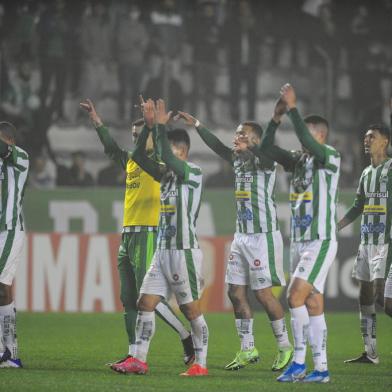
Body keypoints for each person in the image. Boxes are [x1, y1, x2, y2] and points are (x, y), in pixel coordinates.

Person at [176, 102, 293, 372]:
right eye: (237, 133)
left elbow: (263, 155)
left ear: (255, 139)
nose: (237, 137)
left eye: (243, 134)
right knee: (235, 293)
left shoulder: (265, 160)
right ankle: (247, 348)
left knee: (263, 294)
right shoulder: (238, 160)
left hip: (263, 236)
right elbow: (218, 147)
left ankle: (286, 347)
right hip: (241, 237)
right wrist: (196, 125)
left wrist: (250, 148)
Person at [79, 99, 194, 372]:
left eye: (138, 134)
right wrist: (96, 119)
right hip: (128, 233)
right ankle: (133, 355)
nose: (134, 139)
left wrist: (154, 125)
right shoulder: (131, 160)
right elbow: (110, 148)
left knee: (149, 298)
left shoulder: (157, 159)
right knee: (128, 297)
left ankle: (187, 337)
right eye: (132, 135)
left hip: (148, 232)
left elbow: (150, 144)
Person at [118, 99, 208, 377]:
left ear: (180, 151)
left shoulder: (192, 172)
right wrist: (148, 127)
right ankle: (139, 360)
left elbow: (164, 157)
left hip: (184, 252)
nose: (162, 153)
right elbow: (138, 157)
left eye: (168, 149)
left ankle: (200, 364)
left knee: (191, 310)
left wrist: (159, 127)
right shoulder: (166, 175)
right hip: (162, 250)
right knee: (145, 303)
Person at [260, 84, 340, 383]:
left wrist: (293, 108)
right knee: (313, 304)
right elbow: (267, 149)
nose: (301, 138)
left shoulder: (328, 156)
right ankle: (321, 369)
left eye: (307, 133)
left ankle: (297, 362)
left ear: (320, 135)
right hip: (299, 242)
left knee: (293, 297)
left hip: (319, 241)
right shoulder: (299, 160)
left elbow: (306, 138)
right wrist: (276, 118)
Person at [338, 125, 392, 364]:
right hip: (367, 241)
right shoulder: (366, 173)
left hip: (386, 241)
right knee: (365, 294)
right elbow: (358, 205)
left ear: (385, 142)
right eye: (365, 136)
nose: (367, 139)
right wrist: (336, 226)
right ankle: (369, 352)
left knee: (382, 297)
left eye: (372, 136)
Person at [0, 121, 29, 368]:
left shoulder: (21, 158)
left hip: (8, 231)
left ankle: (7, 352)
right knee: (3, 290)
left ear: (9, 141)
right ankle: (10, 353)